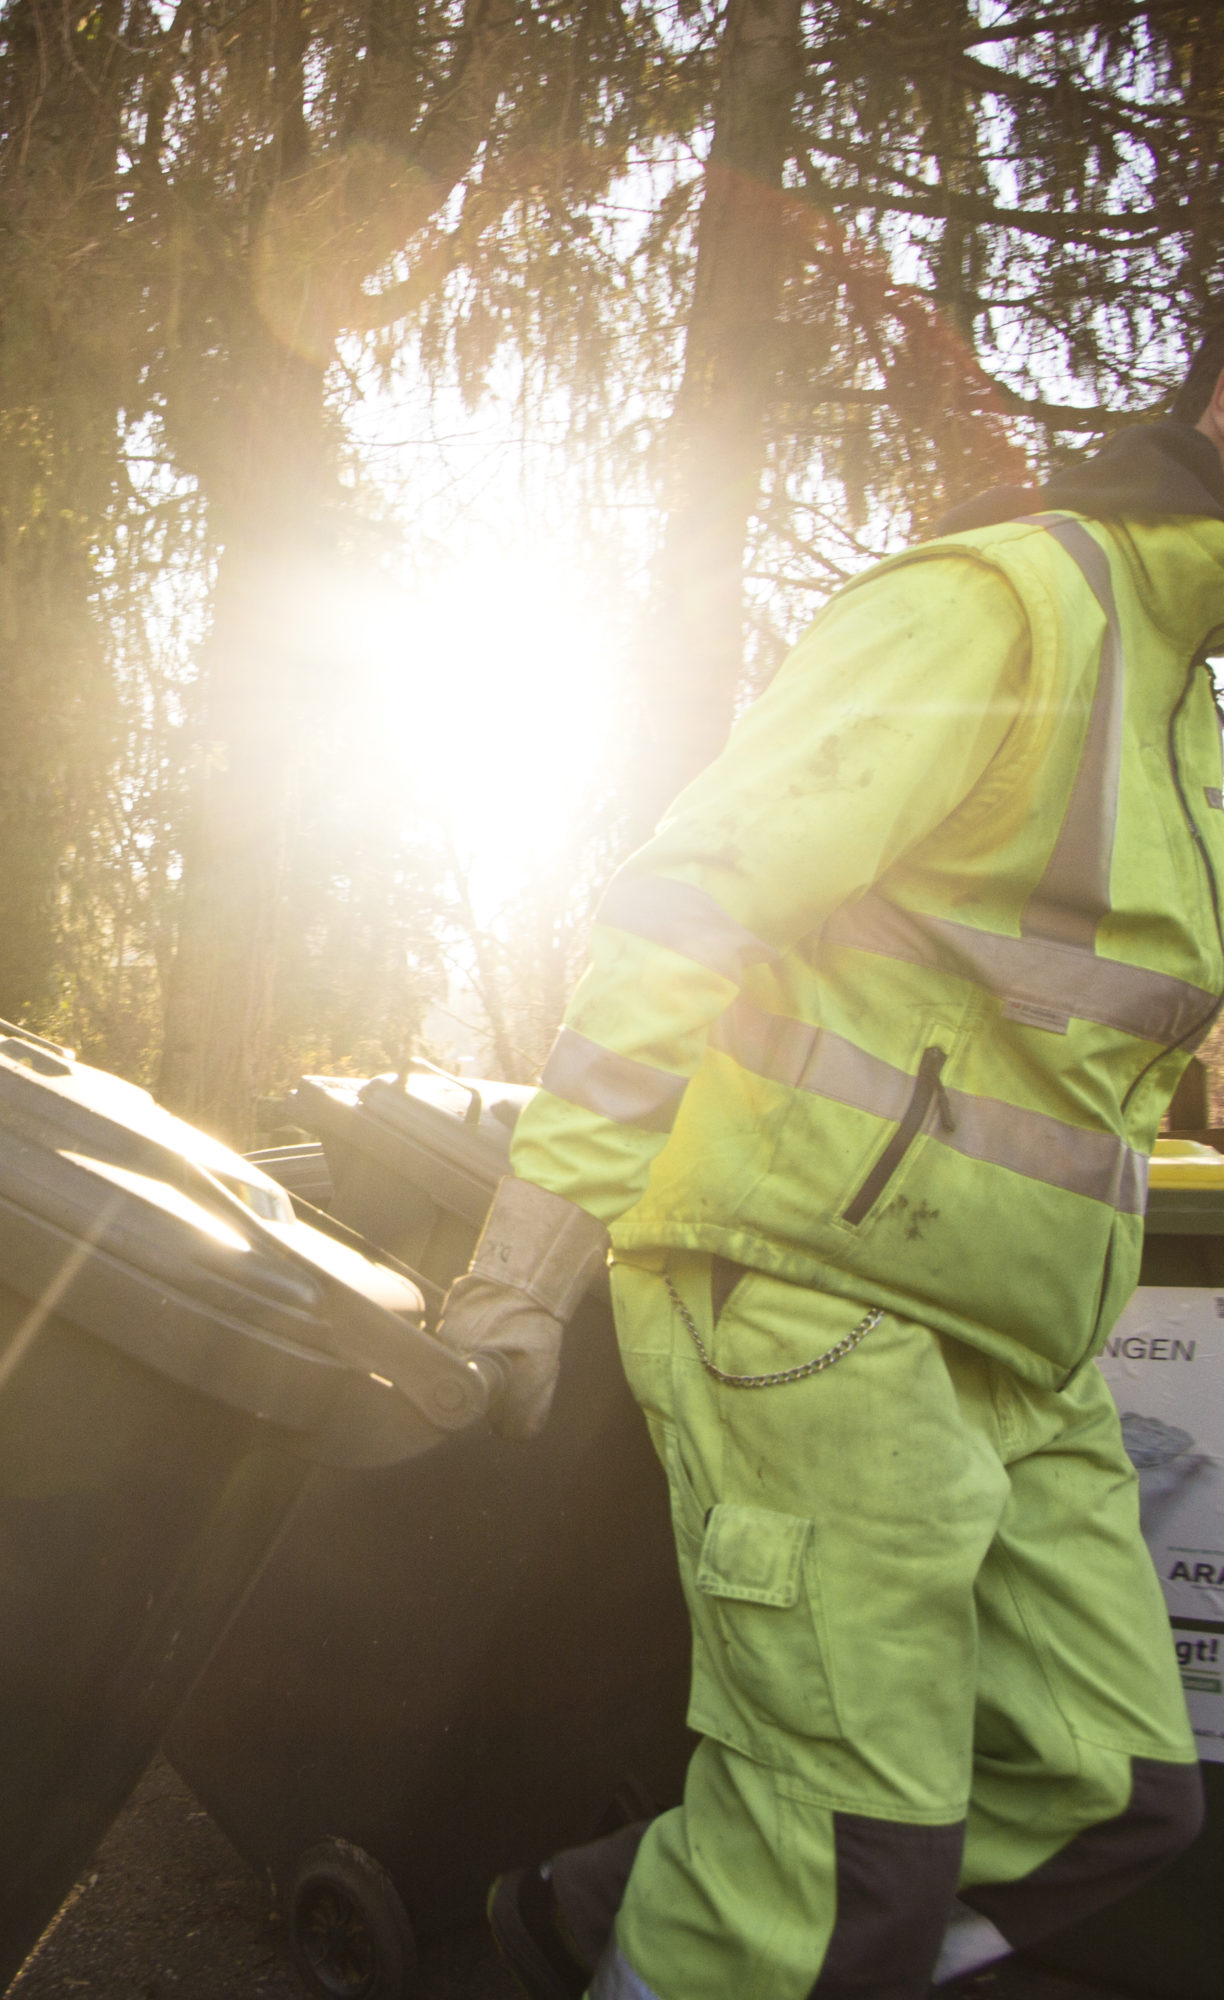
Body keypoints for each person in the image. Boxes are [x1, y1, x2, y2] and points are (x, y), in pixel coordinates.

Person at [441, 328, 1224, 2000]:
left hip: (1025, 1357)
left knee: (1110, 1798)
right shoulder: (1004, 607)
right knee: (843, 1867)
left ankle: (584, 1929)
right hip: (811, 1295)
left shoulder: (1189, 712)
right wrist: (524, 1266)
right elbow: (687, 908)